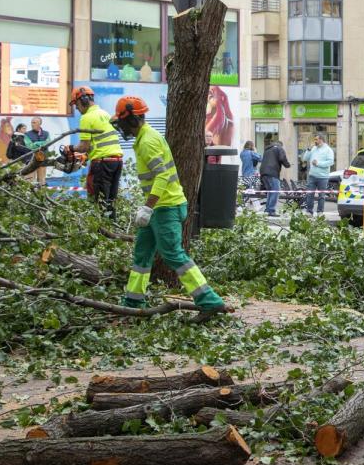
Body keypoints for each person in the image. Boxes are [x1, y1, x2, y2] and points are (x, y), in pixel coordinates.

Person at [110, 96, 230, 319]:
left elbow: (162, 175)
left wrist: (148, 207)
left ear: (133, 120)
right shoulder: (144, 136)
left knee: (173, 254)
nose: (121, 129)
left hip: (165, 207)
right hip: (161, 206)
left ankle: (209, 300)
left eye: (123, 123)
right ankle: (133, 301)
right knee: (142, 253)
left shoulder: (147, 141)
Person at [69, 86, 123, 218]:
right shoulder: (104, 113)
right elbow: (98, 144)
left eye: (76, 104)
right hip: (116, 162)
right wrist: (86, 155)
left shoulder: (87, 117)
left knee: (98, 201)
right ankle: (112, 229)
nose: (76, 108)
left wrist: (70, 148)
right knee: (110, 201)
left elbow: (84, 146)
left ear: (84, 100)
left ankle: (101, 231)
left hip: (102, 164)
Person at [301, 133, 335, 217]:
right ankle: (309, 212)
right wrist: (308, 149)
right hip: (312, 175)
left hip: (323, 177)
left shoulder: (328, 150)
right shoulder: (313, 149)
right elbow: (305, 158)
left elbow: (331, 162)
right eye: (314, 139)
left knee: (321, 196)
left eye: (316, 139)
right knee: (310, 194)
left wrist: (318, 163)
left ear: (321, 140)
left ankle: (320, 212)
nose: (315, 141)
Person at [259, 139, 290, 217]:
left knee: (270, 191)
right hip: (272, 172)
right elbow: (282, 158)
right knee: (275, 191)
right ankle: (271, 210)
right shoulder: (279, 148)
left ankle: (268, 209)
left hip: (263, 172)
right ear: (280, 144)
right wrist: (287, 165)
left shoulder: (267, 150)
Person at [25, 117, 50, 186]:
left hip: (43, 160)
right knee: (29, 182)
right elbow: (30, 146)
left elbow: (48, 143)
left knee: (42, 181)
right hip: (31, 161)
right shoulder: (27, 134)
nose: (32, 124)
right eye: (31, 122)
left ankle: (41, 196)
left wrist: (36, 143)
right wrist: (41, 143)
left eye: (34, 122)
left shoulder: (46, 133)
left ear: (40, 124)